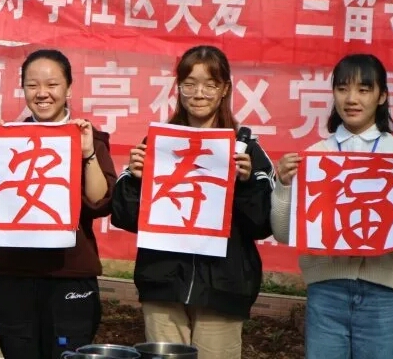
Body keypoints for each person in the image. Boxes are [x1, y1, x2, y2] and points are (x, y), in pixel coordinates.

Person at [271, 53, 393, 359]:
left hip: (385, 295)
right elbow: (282, 232)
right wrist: (284, 185)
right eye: (342, 88)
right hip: (326, 292)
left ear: (382, 96)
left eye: (364, 89)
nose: (351, 99)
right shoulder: (314, 157)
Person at [111, 45, 275, 359]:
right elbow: (125, 217)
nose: (199, 93)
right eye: (189, 84)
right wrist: (134, 179)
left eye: (210, 85)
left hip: (222, 289)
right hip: (163, 285)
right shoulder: (156, 144)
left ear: (225, 89)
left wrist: (245, 185)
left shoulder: (246, 150)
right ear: (179, 88)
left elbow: (262, 225)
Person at [0, 48, 118, 359]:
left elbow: (100, 202)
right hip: (15, 275)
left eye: (52, 84)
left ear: (69, 88)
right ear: (23, 89)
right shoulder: (7, 139)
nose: (42, 93)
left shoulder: (87, 138)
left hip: (70, 274)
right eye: (32, 85)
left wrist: (87, 154)